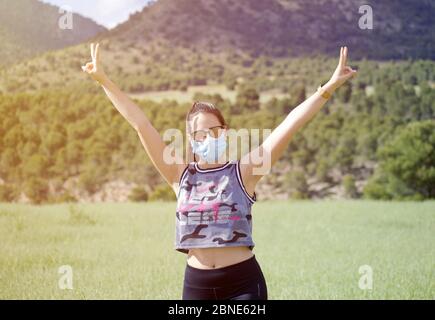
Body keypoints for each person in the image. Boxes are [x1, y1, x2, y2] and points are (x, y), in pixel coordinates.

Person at [82, 43, 357, 300]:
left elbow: (289, 125)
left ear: (225, 132)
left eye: (214, 131)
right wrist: (104, 81)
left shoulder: (245, 171)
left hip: (243, 284)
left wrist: (328, 87)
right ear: (191, 141)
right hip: (196, 285)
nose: (208, 138)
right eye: (200, 134)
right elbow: (140, 123)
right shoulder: (179, 174)